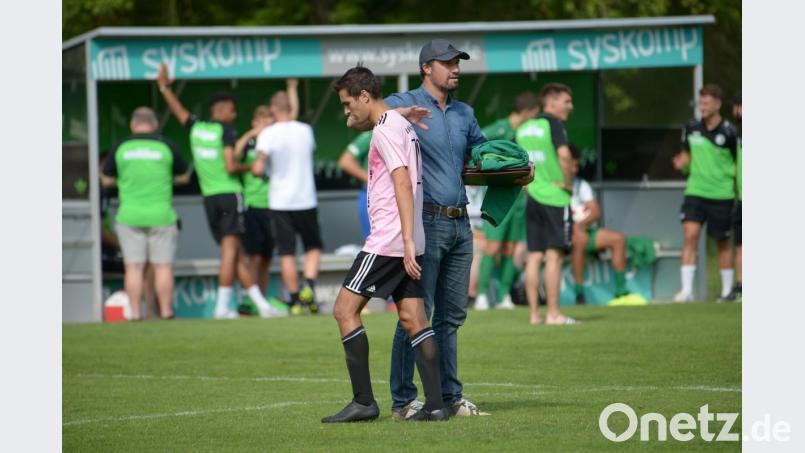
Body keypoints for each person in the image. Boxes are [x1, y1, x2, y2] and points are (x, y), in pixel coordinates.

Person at [384, 39, 532, 420]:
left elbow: (482, 159)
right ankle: (403, 401)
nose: (455, 69)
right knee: (416, 314)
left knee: (451, 318)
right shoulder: (405, 102)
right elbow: (374, 116)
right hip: (426, 222)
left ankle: (450, 397)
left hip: (460, 224)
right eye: (447, 63)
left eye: (458, 63)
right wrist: (400, 113)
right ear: (426, 68)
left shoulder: (465, 113)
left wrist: (515, 172)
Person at [322, 65, 447, 423]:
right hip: (406, 239)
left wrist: (405, 240)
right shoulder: (396, 123)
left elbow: (402, 182)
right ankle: (436, 405)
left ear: (365, 96)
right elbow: (365, 120)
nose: (346, 112)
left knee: (344, 310)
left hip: (390, 240)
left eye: (349, 103)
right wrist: (398, 111)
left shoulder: (385, 130)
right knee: (413, 317)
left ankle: (363, 401)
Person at [157, 64, 284, 319]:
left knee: (235, 254)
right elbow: (230, 165)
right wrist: (251, 167)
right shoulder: (225, 131)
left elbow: (178, 111)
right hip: (229, 195)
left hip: (209, 198)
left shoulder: (196, 127)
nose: (234, 115)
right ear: (223, 109)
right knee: (230, 251)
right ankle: (221, 307)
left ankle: (261, 306)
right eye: (233, 110)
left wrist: (164, 88)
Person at [100, 107, 190, 320]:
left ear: (133, 124)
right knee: (163, 266)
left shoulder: (121, 147)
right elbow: (184, 176)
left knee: (133, 266)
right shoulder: (166, 146)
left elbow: (105, 178)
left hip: (129, 215)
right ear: (155, 124)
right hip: (161, 215)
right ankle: (166, 312)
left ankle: (136, 313)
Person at [252, 91, 322, 315]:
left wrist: (262, 170)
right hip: (306, 198)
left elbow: (258, 169)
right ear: (290, 109)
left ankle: (293, 301)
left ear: (273, 109)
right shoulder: (305, 130)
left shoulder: (268, 134)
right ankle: (308, 287)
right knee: (312, 247)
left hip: (280, 201)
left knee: (286, 252)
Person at [671, 84, 739, 303]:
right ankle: (686, 291)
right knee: (690, 235)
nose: (703, 106)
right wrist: (682, 164)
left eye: (706, 103)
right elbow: (686, 158)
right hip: (695, 191)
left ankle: (726, 292)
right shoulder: (691, 127)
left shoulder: (730, 132)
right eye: (700, 102)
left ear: (718, 104)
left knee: (722, 241)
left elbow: (739, 164)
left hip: (722, 194)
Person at [516, 83, 577, 325]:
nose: (570, 107)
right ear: (551, 102)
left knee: (534, 256)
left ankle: (534, 315)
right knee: (554, 257)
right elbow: (564, 156)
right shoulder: (554, 124)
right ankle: (553, 314)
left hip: (532, 196)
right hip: (554, 196)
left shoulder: (525, 128)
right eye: (566, 101)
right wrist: (568, 183)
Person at [474, 92, 540, 310]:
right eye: (534, 115)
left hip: (520, 197)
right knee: (492, 247)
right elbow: (477, 147)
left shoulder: (525, 133)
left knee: (512, 249)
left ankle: (504, 297)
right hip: (498, 196)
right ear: (527, 112)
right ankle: (482, 296)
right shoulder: (500, 128)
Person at [235, 81, 299, 301]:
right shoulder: (250, 143)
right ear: (254, 122)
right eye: (261, 121)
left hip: (272, 205)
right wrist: (253, 131)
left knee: (266, 258)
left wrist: (292, 90)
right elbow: (234, 156)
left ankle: (261, 299)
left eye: (268, 121)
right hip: (253, 205)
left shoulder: (272, 141)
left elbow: (292, 116)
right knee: (252, 257)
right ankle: (252, 300)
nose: (266, 125)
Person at [568, 145, 643, 304]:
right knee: (579, 239)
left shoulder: (582, 186)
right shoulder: (553, 186)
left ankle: (621, 291)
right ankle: (579, 293)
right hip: (564, 234)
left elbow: (595, 212)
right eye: (572, 165)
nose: (575, 169)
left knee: (618, 239)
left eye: (577, 165)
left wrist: (581, 223)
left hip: (584, 231)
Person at [337, 130, 373, 239]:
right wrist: (373, 180)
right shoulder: (371, 135)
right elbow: (345, 161)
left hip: (398, 196)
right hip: (371, 195)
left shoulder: (405, 134)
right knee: (374, 242)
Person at [726, 93, 742, 302]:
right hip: (743, 197)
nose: (735, 110)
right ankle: (741, 287)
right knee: (741, 244)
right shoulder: (737, 134)